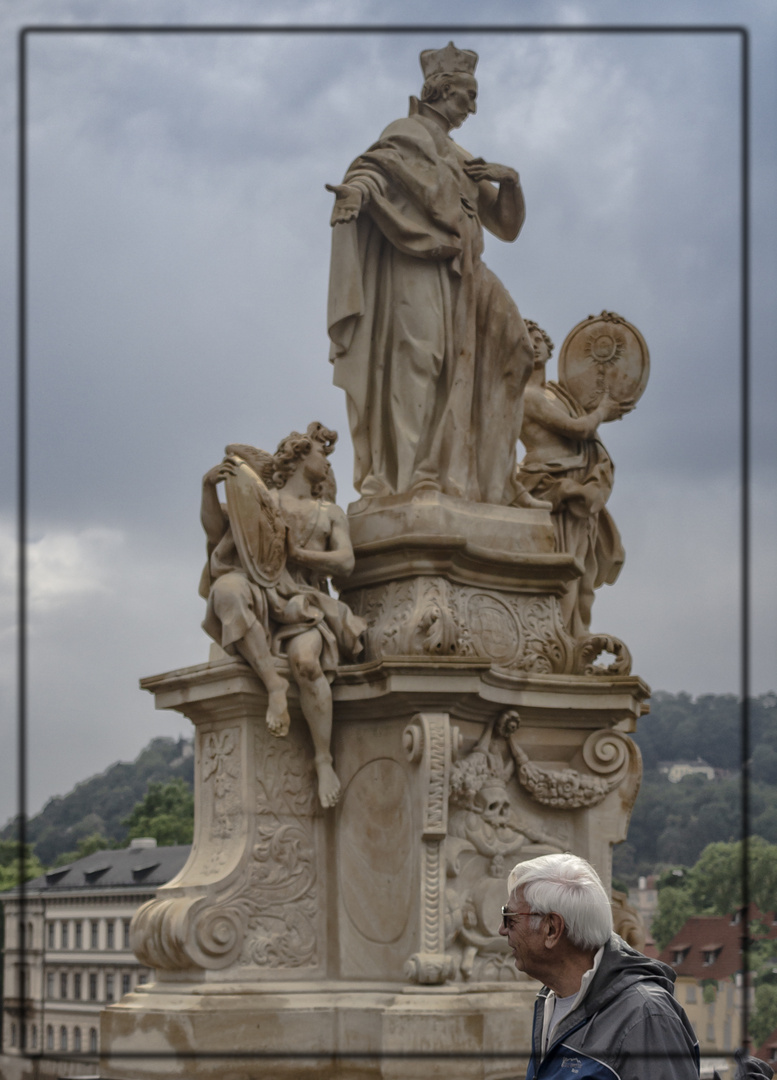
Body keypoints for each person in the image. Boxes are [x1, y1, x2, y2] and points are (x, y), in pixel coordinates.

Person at [327, 42, 546, 508]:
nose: (474, 106)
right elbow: (372, 173)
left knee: (513, 348)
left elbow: (506, 227)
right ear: (443, 90)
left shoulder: (460, 154)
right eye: (469, 94)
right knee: (420, 360)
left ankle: (493, 480)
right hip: (418, 262)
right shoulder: (405, 134)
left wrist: (511, 182)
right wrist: (354, 194)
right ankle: (413, 476)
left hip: (465, 273)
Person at [199, 422, 366, 809]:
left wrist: (300, 555)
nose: (327, 462)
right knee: (226, 590)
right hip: (262, 589)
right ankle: (273, 684)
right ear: (298, 455)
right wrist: (209, 488)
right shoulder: (262, 500)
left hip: (305, 604)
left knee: (307, 663)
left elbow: (345, 562)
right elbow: (216, 532)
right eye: (321, 454)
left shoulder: (330, 513)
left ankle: (323, 759)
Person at [499, 853, 700, 1079]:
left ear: (552, 929)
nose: (502, 930)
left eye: (510, 918)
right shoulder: (551, 1000)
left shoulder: (647, 1016)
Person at [517, 322, 633, 636]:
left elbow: (581, 420)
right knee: (563, 565)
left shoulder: (555, 393)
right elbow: (578, 429)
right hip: (550, 487)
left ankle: (575, 633)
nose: (536, 344)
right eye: (528, 339)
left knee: (582, 570)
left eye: (540, 338)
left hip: (577, 483)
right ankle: (555, 635)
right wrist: (603, 412)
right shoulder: (526, 396)